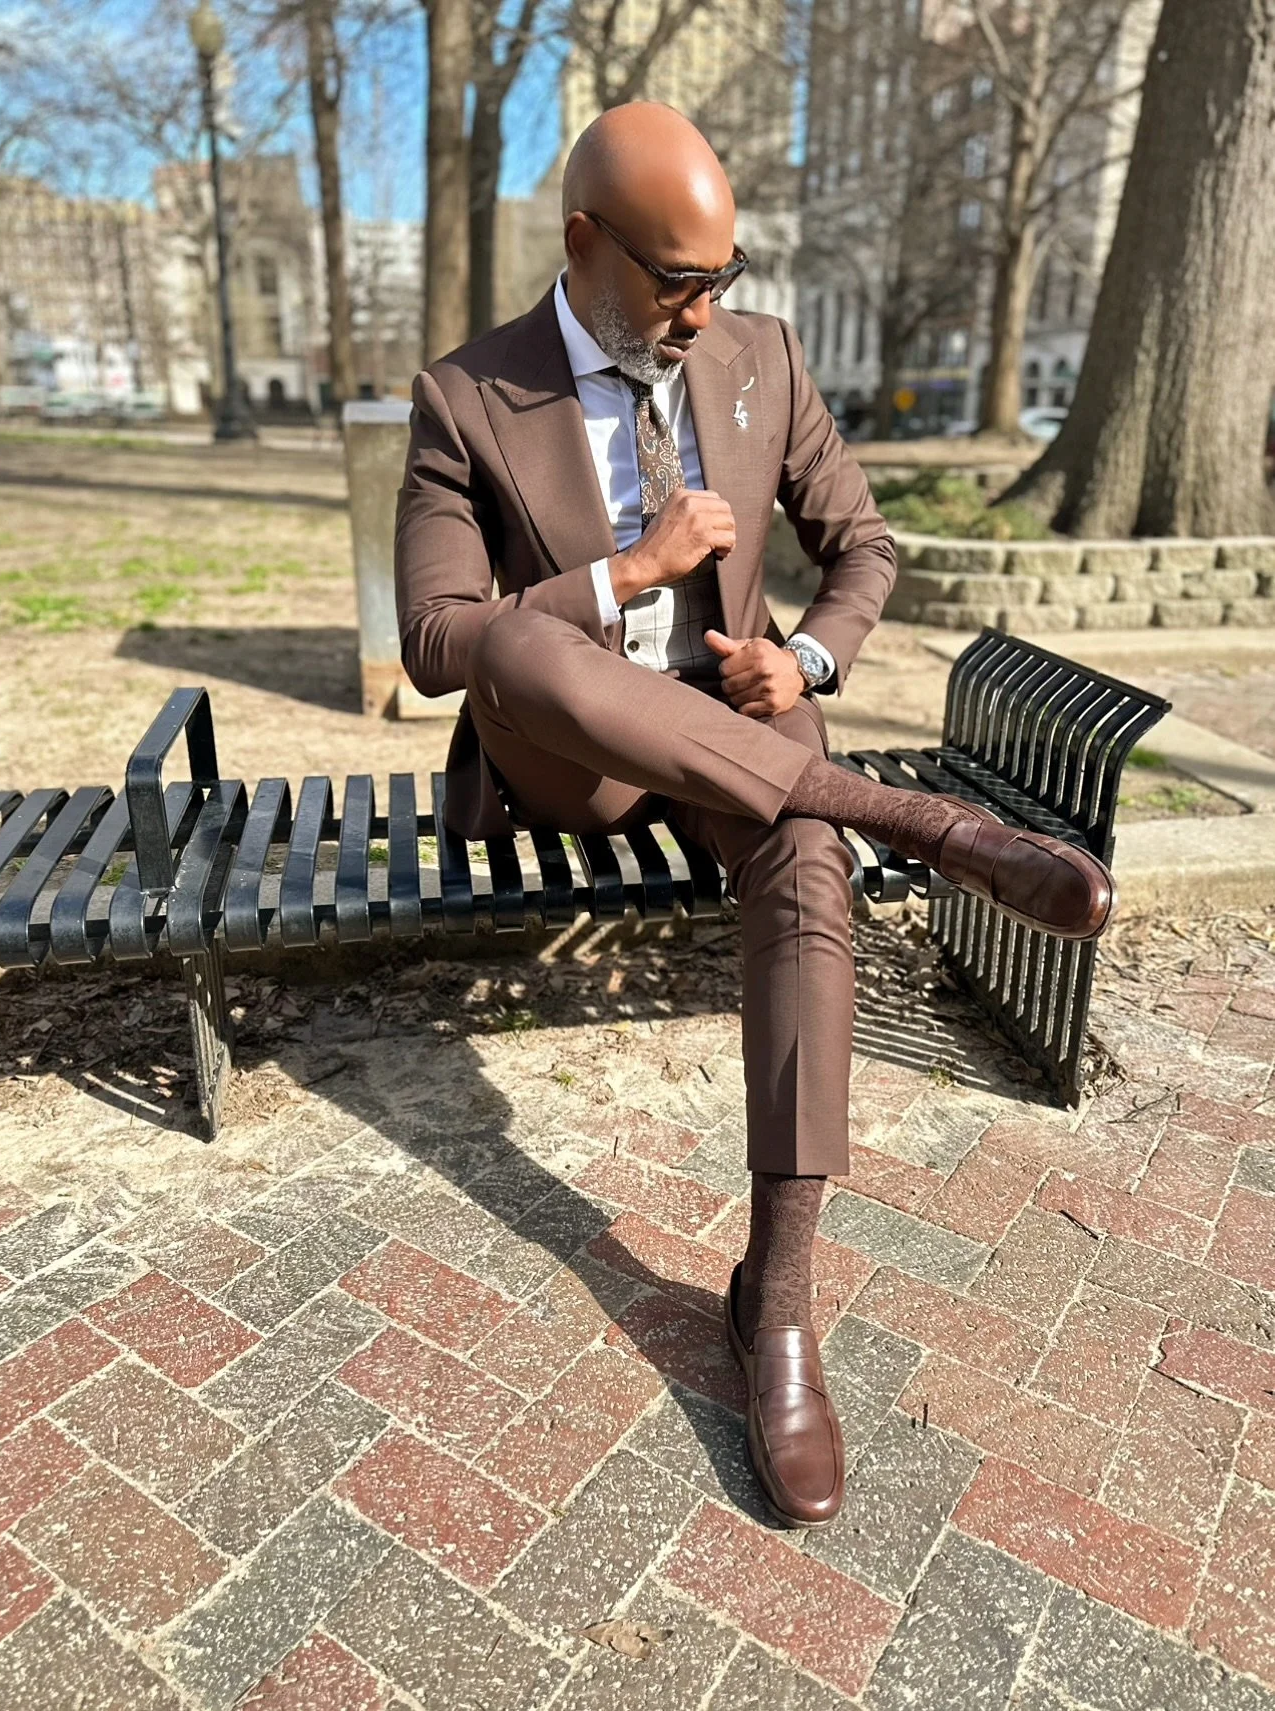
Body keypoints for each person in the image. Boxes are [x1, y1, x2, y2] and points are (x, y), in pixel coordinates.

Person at [395, 103, 1116, 1529]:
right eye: (677, 279)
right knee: (514, 643)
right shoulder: (468, 394)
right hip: (574, 756)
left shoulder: (759, 357)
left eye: (724, 272)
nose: (706, 305)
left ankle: (773, 1307)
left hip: (739, 719)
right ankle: (916, 818)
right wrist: (625, 571)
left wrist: (811, 659)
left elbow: (862, 542)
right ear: (582, 242)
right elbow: (429, 636)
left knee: (801, 867)